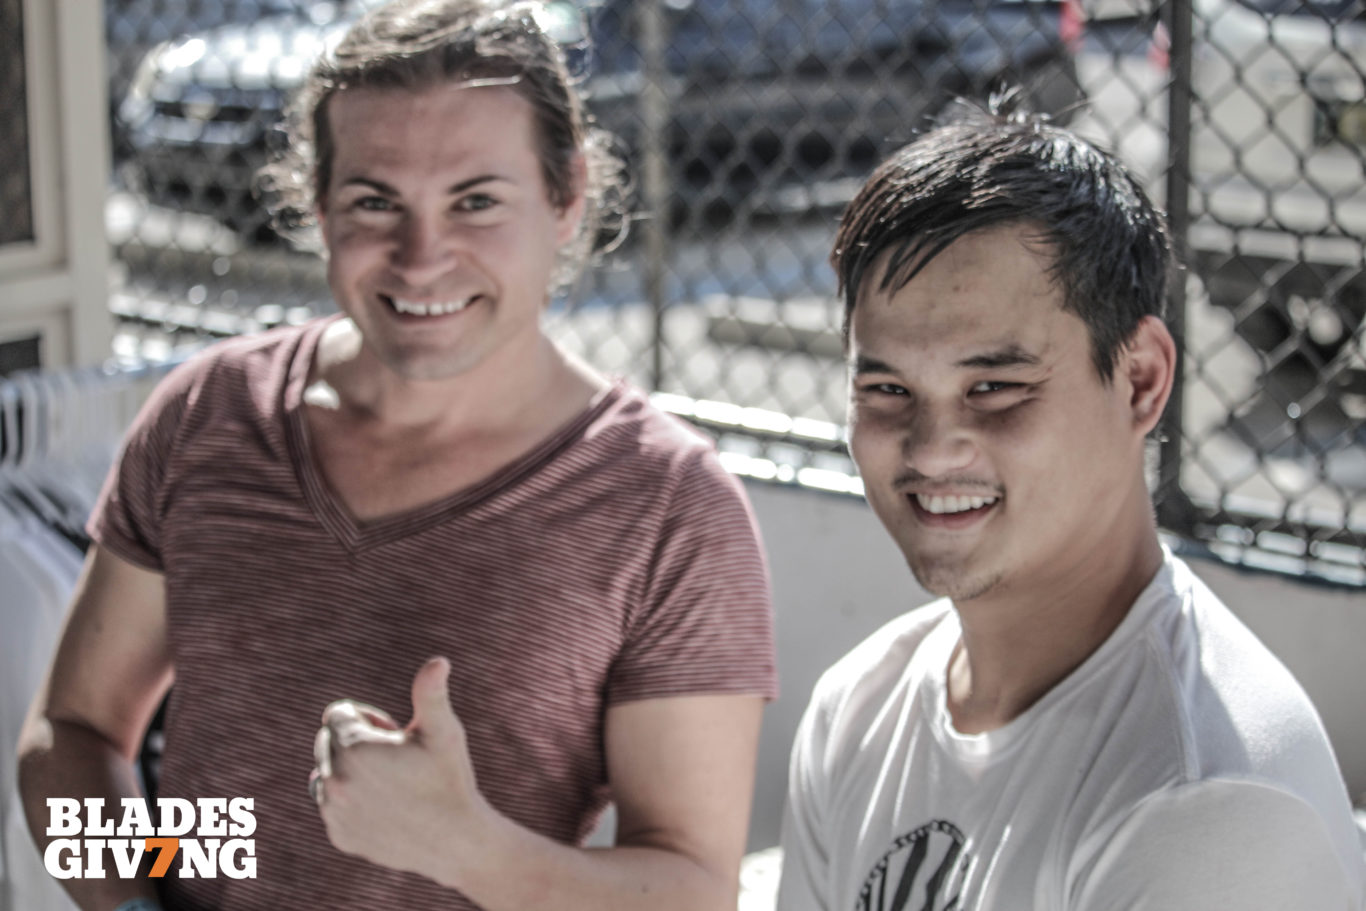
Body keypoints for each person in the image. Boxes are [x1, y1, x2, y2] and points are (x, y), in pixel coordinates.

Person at [17, 1, 777, 908]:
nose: (421, 258)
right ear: (318, 206)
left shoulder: (669, 504)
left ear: (566, 196)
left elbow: (693, 888)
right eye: (375, 202)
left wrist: (466, 848)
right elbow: (73, 728)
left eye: (476, 201)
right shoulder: (208, 413)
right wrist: (147, 896)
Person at [777, 103, 1366, 910]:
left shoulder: (1204, 802)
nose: (932, 448)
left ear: (1140, 381)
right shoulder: (857, 709)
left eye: (995, 385)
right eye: (887, 388)